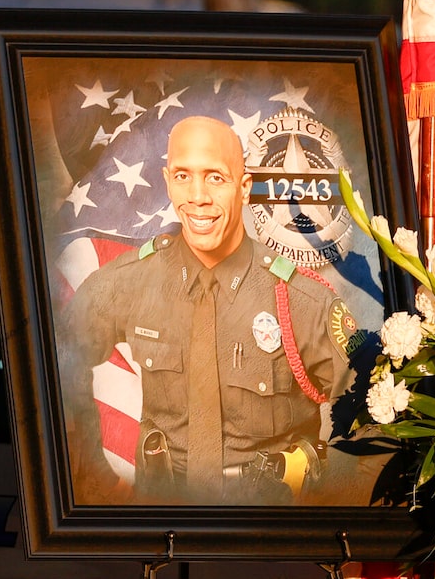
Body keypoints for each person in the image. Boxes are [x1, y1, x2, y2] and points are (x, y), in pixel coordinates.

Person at [60, 115, 351, 501]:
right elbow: (56, 366)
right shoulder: (127, 282)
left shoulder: (303, 301)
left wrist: (326, 491)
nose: (197, 196)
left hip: (269, 530)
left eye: (215, 177)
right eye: (183, 176)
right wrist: (95, 477)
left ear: (245, 187)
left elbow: (376, 417)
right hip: (161, 522)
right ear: (167, 181)